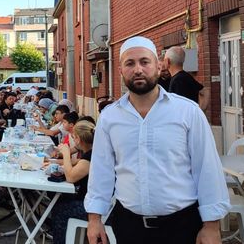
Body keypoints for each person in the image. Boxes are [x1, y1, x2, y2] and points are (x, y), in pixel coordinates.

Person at [85, 36, 230, 244]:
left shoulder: (187, 112)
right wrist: (94, 219)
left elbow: (207, 169)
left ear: (159, 65)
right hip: (129, 227)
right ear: (120, 70)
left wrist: (211, 226)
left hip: (182, 227)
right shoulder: (110, 117)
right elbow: (101, 171)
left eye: (145, 62)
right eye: (130, 63)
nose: (138, 69)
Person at [51, 120, 96, 244]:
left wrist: (65, 154)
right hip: (91, 201)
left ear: (78, 139)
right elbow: (75, 164)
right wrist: (50, 161)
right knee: (60, 199)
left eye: (74, 137)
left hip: (95, 208)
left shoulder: (91, 156)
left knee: (60, 210)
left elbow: (71, 177)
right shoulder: (92, 152)